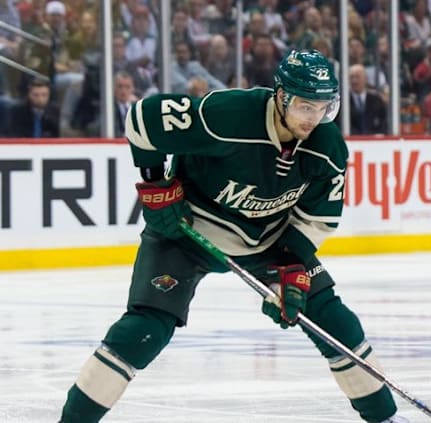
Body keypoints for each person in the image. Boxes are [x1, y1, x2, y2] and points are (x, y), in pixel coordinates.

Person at [58, 50, 409, 423]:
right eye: (306, 106)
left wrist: (290, 267)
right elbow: (143, 120)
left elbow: (316, 220)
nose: (315, 118)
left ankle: (384, 418)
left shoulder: (327, 148)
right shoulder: (227, 115)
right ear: (281, 96)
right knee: (143, 332)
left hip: (271, 241)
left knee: (335, 322)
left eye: (324, 107)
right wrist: (156, 183)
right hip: (186, 233)